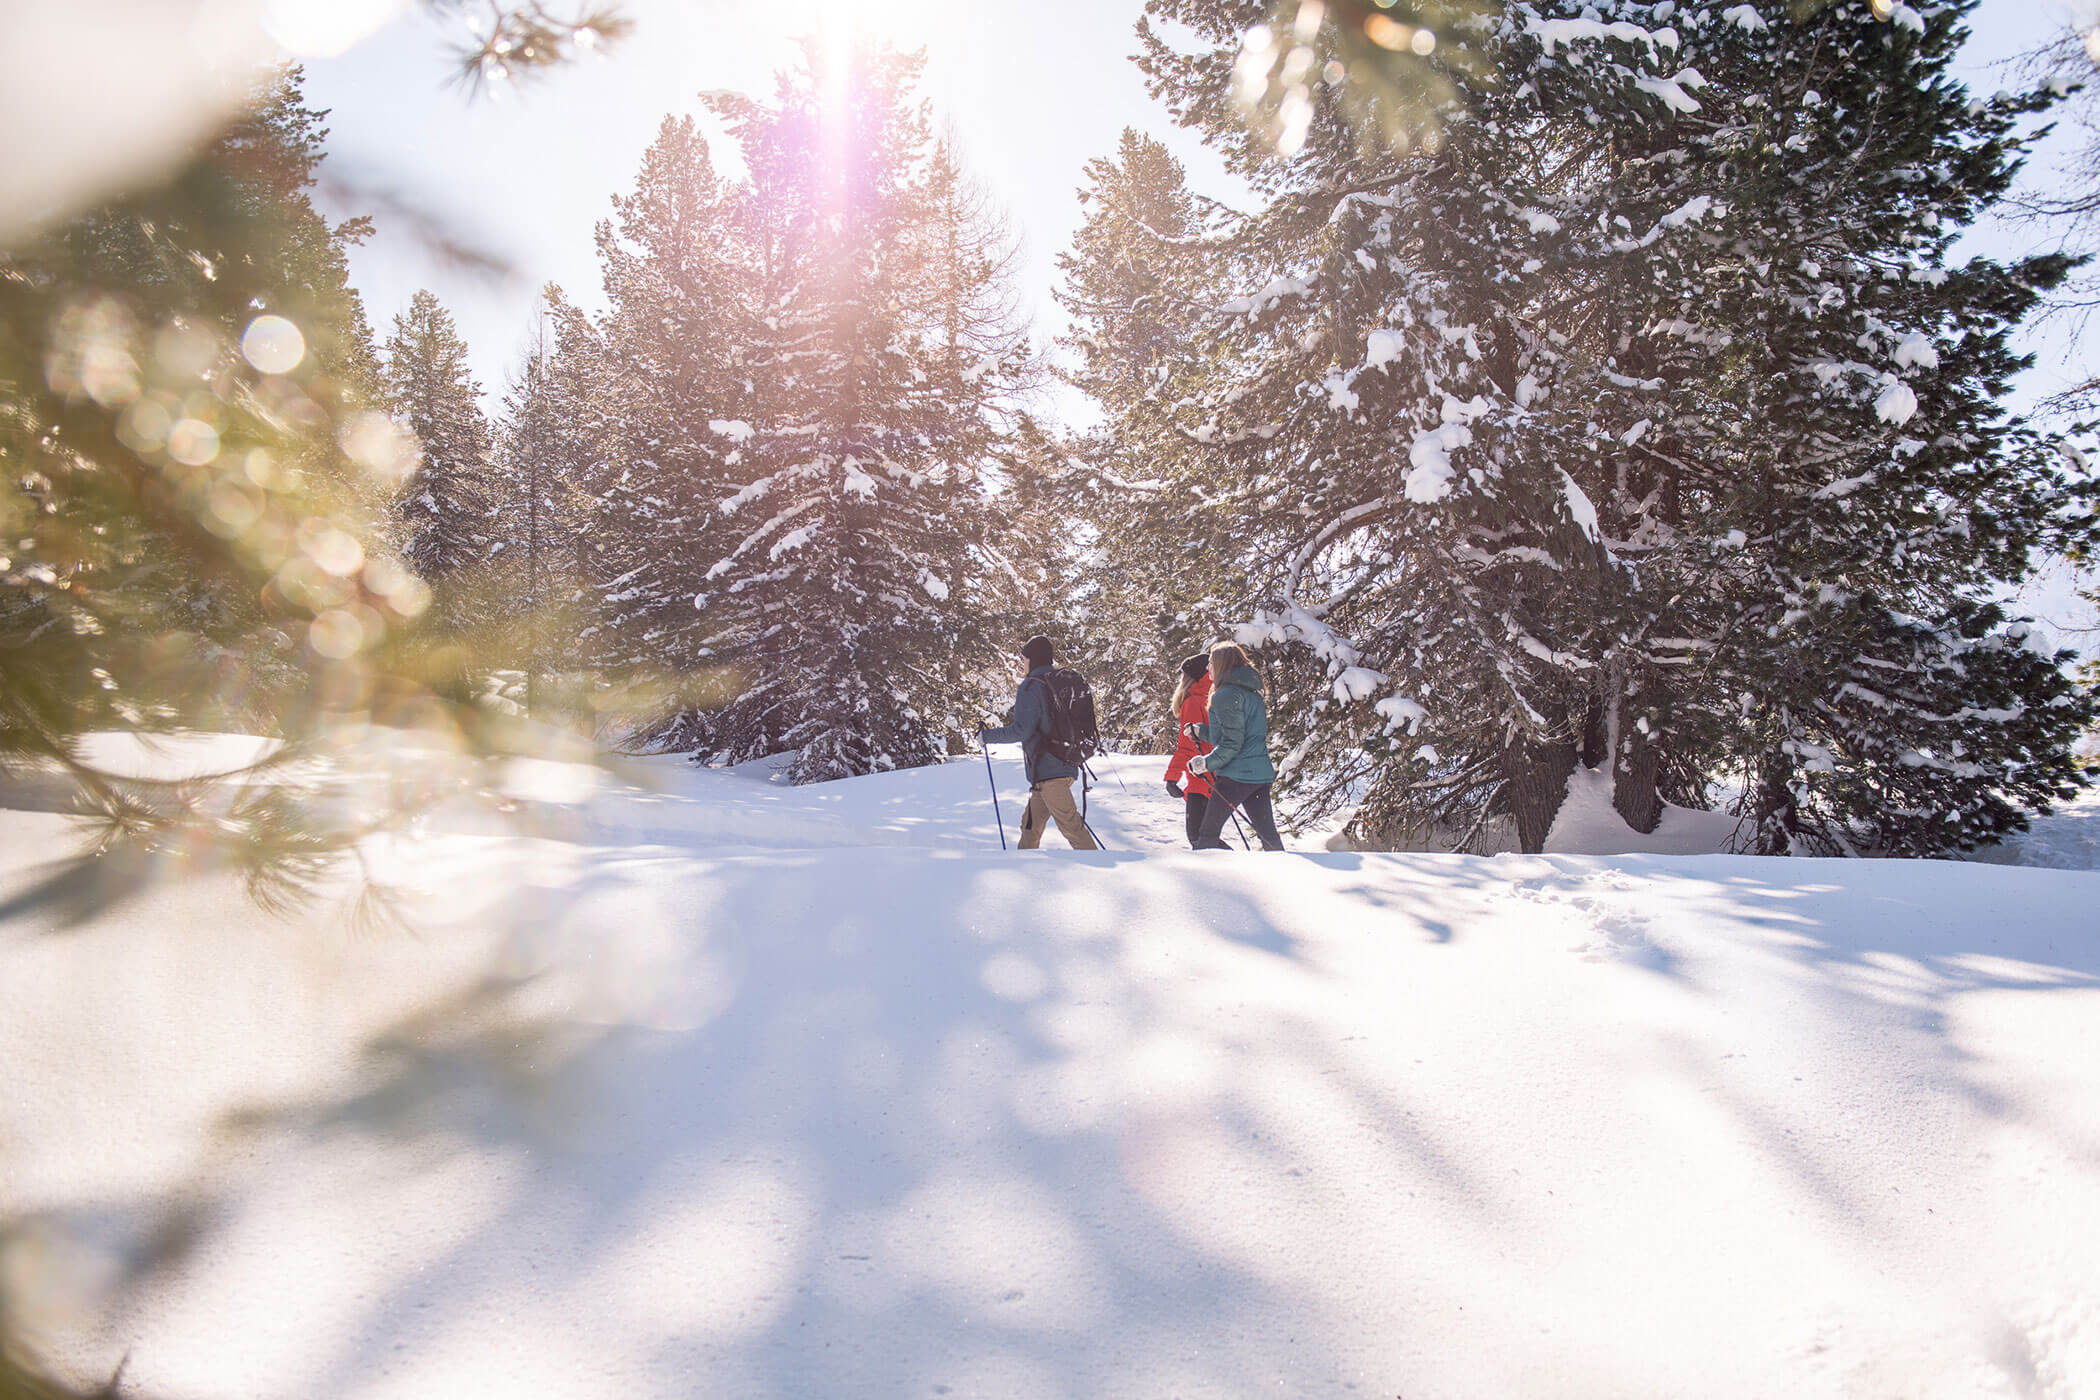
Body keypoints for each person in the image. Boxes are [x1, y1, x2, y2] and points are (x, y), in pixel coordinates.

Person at [978, 635, 1099, 851]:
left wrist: (987, 737)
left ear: (1032, 659)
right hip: (1058, 770)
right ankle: (1022, 867)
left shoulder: (1031, 687)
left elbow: (1021, 730)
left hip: (1050, 773)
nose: (1022, 663)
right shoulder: (1056, 681)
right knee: (1030, 827)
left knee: (1071, 827)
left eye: (1024, 658)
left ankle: (1101, 870)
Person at [1186, 642, 1285, 851]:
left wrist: (1206, 763)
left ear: (1221, 665)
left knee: (1206, 836)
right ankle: (1283, 875)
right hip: (1258, 774)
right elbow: (1234, 735)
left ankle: (1210, 881)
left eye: (1211, 663)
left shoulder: (1225, 695)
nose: (1207, 668)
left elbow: (1232, 744)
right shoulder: (1250, 693)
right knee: (1268, 836)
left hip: (1236, 776)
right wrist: (1199, 731)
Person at [1163, 653, 1217, 849]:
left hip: (1202, 778)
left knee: (1199, 838)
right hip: (1214, 774)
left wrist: (1171, 778)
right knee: (1203, 838)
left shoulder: (1193, 702)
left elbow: (1187, 746)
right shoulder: (1212, 697)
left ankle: (1243, 869)